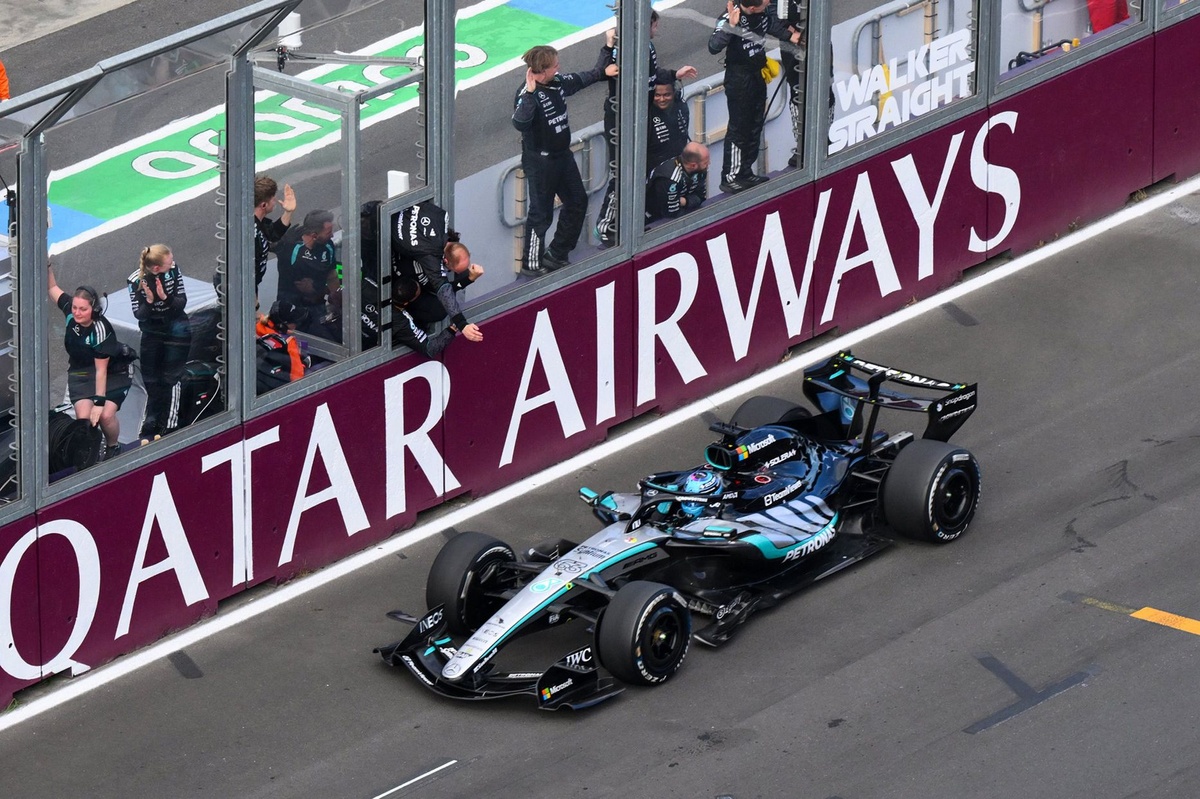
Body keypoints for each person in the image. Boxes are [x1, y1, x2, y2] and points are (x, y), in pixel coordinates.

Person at [512, 45, 609, 276]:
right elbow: (520, 123)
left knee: (577, 201)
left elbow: (583, 78)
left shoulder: (556, 82)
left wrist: (606, 57)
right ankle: (531, 264)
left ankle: (557, 253)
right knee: (541, 213)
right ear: (542, 70)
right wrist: (529, 94)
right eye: (555, 65)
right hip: (540, 162)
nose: (559, 68)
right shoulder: (526, 94)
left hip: (562, 156)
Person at [708, 0, 803, 193]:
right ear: (751, 7)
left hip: (757, 73)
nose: (769, 3)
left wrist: (792, 37)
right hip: (739, 79)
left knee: (755, 124)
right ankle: (731, 177)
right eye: (764, 3)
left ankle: (745, 172)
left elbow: (772, 25)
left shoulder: (762, 12)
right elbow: (713, 46)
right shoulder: (731, 16)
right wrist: (731, 26)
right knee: (739, 128)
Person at [48, 265, 133, 461]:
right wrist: (48, 267)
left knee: (105, 416)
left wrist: (99, 403)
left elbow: (101, 371)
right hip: (81, 372)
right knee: (84, 422)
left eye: (83, 309)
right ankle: (89, 456)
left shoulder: (100, 330)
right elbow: (52, 287)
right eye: (75, 308)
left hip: (113, 372)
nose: (77, 313)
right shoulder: (71, 311)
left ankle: (113, 446)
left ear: (93, 309)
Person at [596, 11, 698, 170]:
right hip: (623, 117)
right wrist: (608, 47)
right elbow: (600, 72)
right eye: (655, 26)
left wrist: (675, 74)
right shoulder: (624, 49)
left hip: (642, 112)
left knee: (644, 160)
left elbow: (653, 73)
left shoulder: (647, 46)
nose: (656, 30)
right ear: (644, 27)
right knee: (622, 167)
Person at [127, 244, 190, 442]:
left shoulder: (174, 270)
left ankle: (169, 425)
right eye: (168, 262)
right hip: (152, 331)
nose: (173, 264)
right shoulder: (135, 280)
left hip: (176, 327)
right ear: (156, 268)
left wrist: (165, 297)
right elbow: (139, 314)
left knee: (171, 376)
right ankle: (151, 423)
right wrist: (150, 300)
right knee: (151, 378)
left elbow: (181, 302)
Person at [276, 209, 339, 341]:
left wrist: (337, 299)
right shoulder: (291, 248)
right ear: (314, 235)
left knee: (324, 341)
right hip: (292, 309)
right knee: (296, 344)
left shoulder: (328, 246)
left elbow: (332, 275)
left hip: (318, 306)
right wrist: (279, 241)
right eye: (328, 232)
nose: (332, 235)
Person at [392, 278, 483, 358]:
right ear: (407, 303)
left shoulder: (384, 292)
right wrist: (452, 328)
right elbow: (430, 350)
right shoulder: (401, 323)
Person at [646, 142, 710, 224]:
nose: (709, 163)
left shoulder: (701, 170)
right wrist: (691, 201)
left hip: (682, 212)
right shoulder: (669, 178)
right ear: (693, 165)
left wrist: (685, 201)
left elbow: (701, 197)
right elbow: (672, 214)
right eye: (705, 163)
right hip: (656, 221)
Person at [252, 175, 297, 294]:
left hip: (250, 286)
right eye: (272, 198)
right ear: (264, 205)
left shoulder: (256, 222)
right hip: (242, 289)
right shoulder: (251, 233)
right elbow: (244, 271)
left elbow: (273, 233)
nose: (275, 200)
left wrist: (288, 212)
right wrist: (254, 300)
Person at [255, 300, 310, 393]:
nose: (296, 325)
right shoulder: (289, 343)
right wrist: (304, 363)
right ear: (282, 325)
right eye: (293, 322)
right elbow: (297, 378)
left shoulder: (257, 328)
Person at [780, 0, 809, 167]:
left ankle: (824, 137)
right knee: (798, 93)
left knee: (826, 90)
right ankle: (802, 143)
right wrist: (795, 34)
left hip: (818, 39)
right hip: (792, 47)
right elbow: (777, 20)